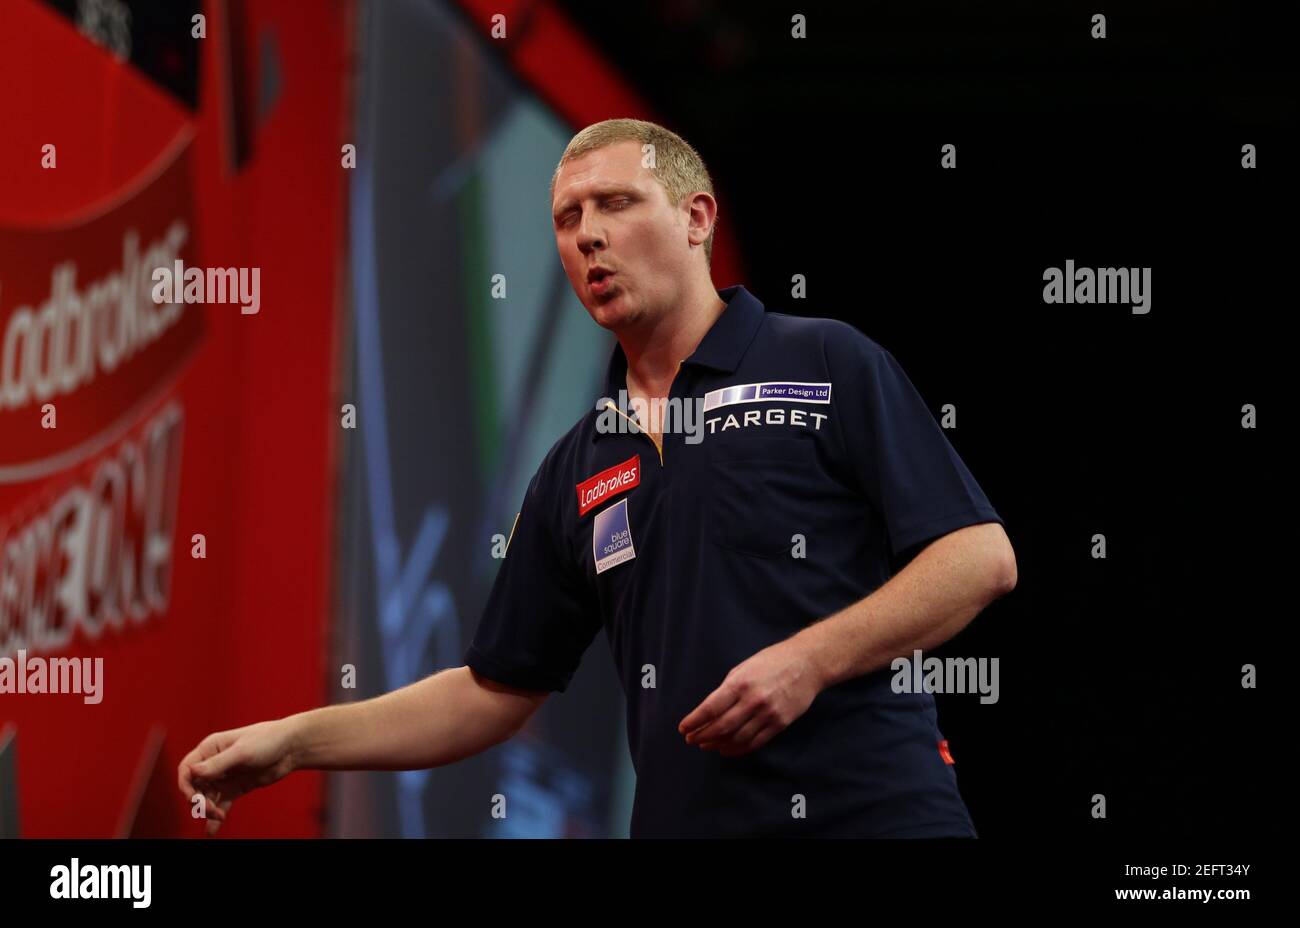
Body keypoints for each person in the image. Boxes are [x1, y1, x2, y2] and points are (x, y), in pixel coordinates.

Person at [178, 118, 1017, 837]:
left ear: (696, 218)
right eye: (566, 217)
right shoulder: (579, 463)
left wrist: (809, 660)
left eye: (616, 203)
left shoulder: (823, 359)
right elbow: (491, 691)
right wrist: (292, 742)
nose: (587, 234)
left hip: (877, 815)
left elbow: (980, 558)